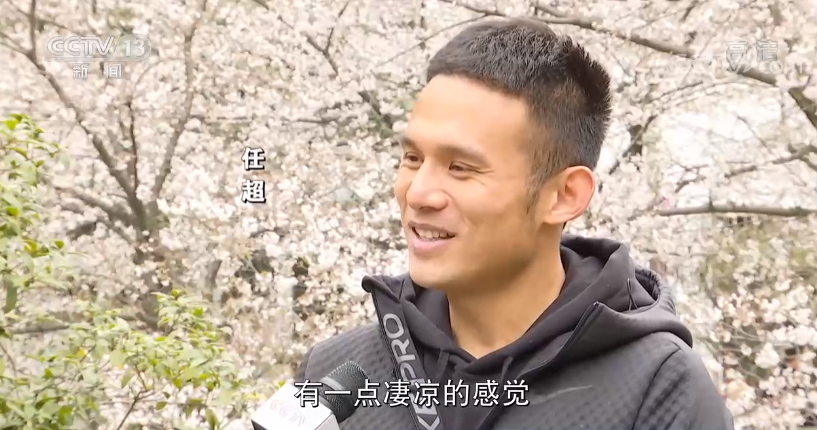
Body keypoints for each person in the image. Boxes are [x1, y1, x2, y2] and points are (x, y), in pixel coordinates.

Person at [294, 17, 735, 430]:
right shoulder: (335, 374)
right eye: (412, 158)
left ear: (564, 195)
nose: (419, 193)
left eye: (461, 167)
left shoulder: (658, 386)